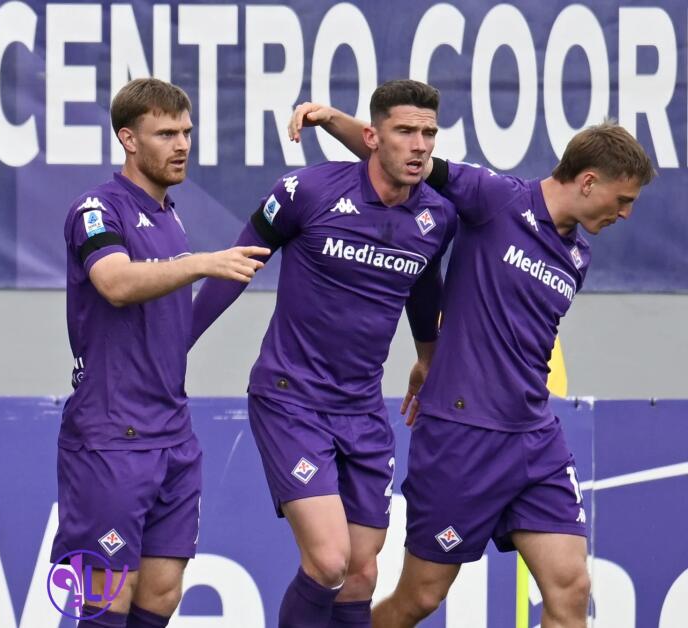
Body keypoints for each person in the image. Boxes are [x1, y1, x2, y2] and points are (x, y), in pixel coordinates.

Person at [295, 103, 655, 627]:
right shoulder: (497, 199)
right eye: (622, 200)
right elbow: (405, 161)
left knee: (572, 589)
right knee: (419, 598)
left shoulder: (578, 257)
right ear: (589, 181)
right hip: (461, 436)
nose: (624, 214)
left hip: (535, 439)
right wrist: (332, 122)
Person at [190, 80, 456, 628]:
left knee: (361, 571)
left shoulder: (438, 218)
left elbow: (425, 291)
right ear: (372, 137)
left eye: (428, 132)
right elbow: (237, 266)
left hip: (362, 410)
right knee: (329, 558)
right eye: (405, 131)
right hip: (291, 399)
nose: (419, 144)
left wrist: (427, 357)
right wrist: (174, 346)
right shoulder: (304, 191)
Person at [51, 77, 269, 627]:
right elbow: (117, 283)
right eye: (165, 133)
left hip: (172, 432)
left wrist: (225, 273)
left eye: (187, 132)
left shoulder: (170, 214)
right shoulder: (97, 209)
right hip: (110, 433)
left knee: (162, 593)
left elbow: (172, 326)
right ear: (128, 138)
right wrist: (202, 263)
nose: (181, 145)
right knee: (109, 595)